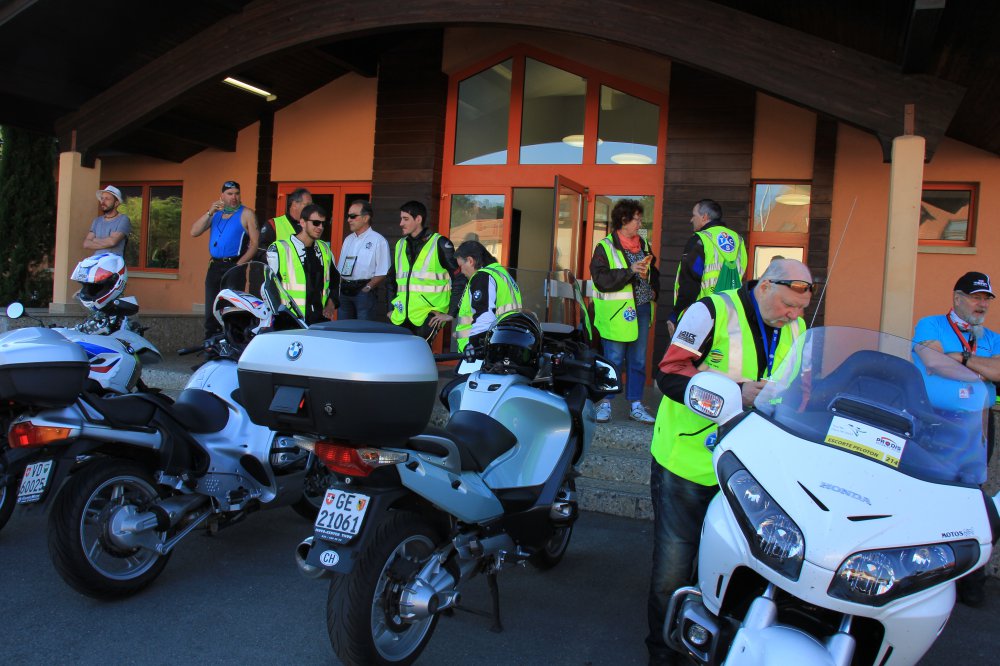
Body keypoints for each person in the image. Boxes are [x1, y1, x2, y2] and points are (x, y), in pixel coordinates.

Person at [646, 258, 811, 665]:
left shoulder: (797, 328)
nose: (793, 315)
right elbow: (668, 373)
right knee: (674, 568)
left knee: (734, 567)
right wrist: (736, 391)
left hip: (751, 467)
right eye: (788, 305)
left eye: (800, 308)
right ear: (766, 286)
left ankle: (714, 644)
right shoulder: (710, 311)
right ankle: (663, 653)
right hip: (688, 461)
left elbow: (801, 390)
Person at [913, 270, 999, 608]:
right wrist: (981, 369)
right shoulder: (931, 325)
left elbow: (998, 371)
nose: (982, 304)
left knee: (970, 497)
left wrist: (960, 358)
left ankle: (969, 578)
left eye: (986, 299)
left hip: (977, 424)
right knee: (927, 492)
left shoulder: (992, 337)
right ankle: (921, 571)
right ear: (958, 298)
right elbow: (934, 364)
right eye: (976, 297)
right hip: (934, 421)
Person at [590, 199, 659, 424]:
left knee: (638, 360)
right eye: (636, 219)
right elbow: (600, 279)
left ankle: (636, 405)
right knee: (614, 359)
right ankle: (605, 404)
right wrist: (629, 271)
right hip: (617, 313)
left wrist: (653, 287)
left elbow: (654, 272)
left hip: (642, 308)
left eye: (640, 219)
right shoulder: (605, 246)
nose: (640, 223)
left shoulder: (644, 244)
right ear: (623, 220)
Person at [190, 180, 259, 339]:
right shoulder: (216, 214)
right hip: (215, 265)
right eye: (229, 194)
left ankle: (231, 342)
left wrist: (239, 264)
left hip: (234, 265)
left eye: (237, 193)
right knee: (211, 309)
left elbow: (255, 244)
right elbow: (194, 232)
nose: (234, 197)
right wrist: (209, 212)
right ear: (221, 196)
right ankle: (210, 345)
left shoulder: (246, 213)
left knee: (231, 309)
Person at [387, 201, 465, 340]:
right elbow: (391, 279)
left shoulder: (440, 243)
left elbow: (460, 278)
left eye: (405, 219)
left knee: (419, 351)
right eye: (401, 219)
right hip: (401, 314)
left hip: (429, 315)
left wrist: (451, 313)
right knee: (401, 352)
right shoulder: (400, 244)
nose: (401, 223)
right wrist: (390, 309)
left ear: (418, 219)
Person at [669, 198, 747, 335]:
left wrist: (676, 315)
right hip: (729, 313)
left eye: (694, 215)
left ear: (704, 217)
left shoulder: (700, 240)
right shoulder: (738, 240)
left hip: (702, 313)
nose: (691, 220)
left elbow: (690, 283)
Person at [429, 240, 522, 352]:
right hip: (502, 345)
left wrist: (474, 347)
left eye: (461, 266)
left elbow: (484, 316)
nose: (461, 271)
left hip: (479, 351)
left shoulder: (482, 277)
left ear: (470, 261)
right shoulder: (501, 273)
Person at [267, 203, 339, 325]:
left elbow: (335, 280)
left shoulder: (325, 249)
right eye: (316, 223)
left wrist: (331, 304)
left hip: (319, 320)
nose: (320, 227)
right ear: (303, 222)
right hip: (289, 321)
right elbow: (269, 287)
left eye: (323, 224)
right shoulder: (279, 249)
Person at [337, 200, 390, 320]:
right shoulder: (348, 240)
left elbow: (383, 271)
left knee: (363, 329)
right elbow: (341, 268)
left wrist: (368, 288)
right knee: (343, 328)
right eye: (348, 216)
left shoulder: (378, 240)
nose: (348, 220)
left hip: (364, 292)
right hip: (345, 292)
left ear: (366, 218)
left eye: (353, 216)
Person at [258, 188, 312, 260]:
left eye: (311, 205)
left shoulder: (313, 225)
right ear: (294, 204)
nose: (311, 209)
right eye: (307, 205)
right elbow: (261, 252)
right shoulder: (273, 224)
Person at [84, 186, 131, 256]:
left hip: (113, 261)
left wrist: (94, 240)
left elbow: (112, 242)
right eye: (102, 198)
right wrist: (107, 241)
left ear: (116, 203)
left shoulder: (123, 219)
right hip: (96, 260)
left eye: (107, 199)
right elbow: (86, 244)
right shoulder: (97, 221)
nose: (103, 202)